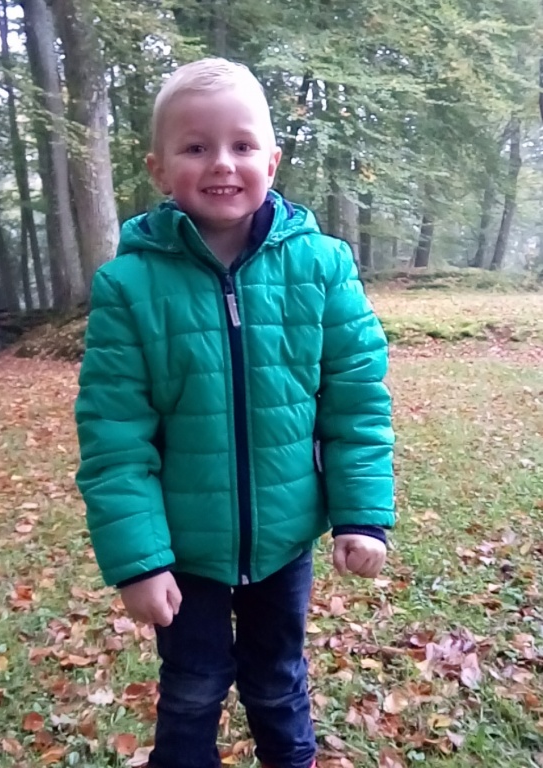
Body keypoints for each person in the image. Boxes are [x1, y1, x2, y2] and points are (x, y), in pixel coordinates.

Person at [75, 57, 395, 768]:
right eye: (196, 147)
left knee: (278, 683)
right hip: (181, 551)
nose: (222, 162)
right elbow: (113, 438)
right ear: (160, 169)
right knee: (192, 688)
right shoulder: (128, 286)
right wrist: (138, 562)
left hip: (283, 541)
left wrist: (361, 516)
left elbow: (356, 404)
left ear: (271, 162)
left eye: (242, 145)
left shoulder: (323, 267)